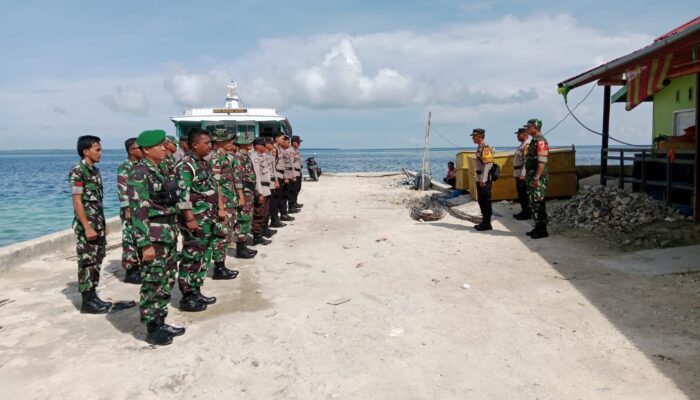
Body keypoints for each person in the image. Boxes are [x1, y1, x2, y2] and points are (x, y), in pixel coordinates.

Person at [128, 129, 185, 345]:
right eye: (159, 145)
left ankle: (161, 321)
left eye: (164, 144)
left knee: (166, 280)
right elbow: (139, 210)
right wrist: (145, 245)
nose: (164, 148)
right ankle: (152, 328)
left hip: (167, 235)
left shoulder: (159, 170)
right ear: (146, 150)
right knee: (153, 282)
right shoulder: (139, 173)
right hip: (153, 238)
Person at [176, 128, 221, 311]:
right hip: (196, 220)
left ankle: (196, 289)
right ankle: (187, 296)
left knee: (204, 255)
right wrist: (189, 218)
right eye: (207, 143)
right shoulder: (186, 166)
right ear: (195, 145)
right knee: (192, 256)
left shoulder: (202, 163)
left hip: (207, 219)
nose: (210, 146)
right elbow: (183, 196)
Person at [68, 135, 111, 314]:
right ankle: (87, 301)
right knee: (87, 262)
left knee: (97, 260)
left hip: (97, 224)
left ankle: (93, 296)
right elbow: (77, 202)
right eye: (97, 149)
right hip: (88, 226)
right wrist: (86, 226)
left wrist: (103, 223)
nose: (100, 153)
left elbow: (97, 202)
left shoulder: (95, 171)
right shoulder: (78, 172)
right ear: (86, 151)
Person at [209, 129, 241, 279]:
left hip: (230, 202)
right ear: (220, 141)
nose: (231, 143)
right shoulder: (216, 158)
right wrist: (221, 207)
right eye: (228, 140)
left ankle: (221, 265)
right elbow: (216, 185)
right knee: (220, 236)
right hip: (223, 204)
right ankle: (218, 268)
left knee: (226, 235)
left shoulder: (225, 157)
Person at [117, 137, 143, 284]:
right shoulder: (125, 167)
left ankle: (138, 266)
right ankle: (130, 270)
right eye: (139, 148)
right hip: (131, 209)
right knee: (130, 238)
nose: (142, 150)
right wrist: (127, 208)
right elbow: (122, 189)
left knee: (139, 237)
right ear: (132, 150)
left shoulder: (140, 165)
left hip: (141, 208)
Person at [232, 132, 259, 258]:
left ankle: (243, 246)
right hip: (243, 192)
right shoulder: (238, 158)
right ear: (242, 143)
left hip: (249, 191)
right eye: (248, 142)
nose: (251, 144)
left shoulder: (245, 156)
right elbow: (237, 179)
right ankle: (240, 249)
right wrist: (241, 196)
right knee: (242, 220)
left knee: (247, 218)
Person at [524, 118, 549, 239]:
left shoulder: (541, 142)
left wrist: (537, 177)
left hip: (537, 177)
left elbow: (542, 161)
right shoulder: (534, 141)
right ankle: (537, 226)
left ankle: (542, 229)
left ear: (535, 127)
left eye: (529, 127)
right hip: (531, 177)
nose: (527, 129)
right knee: (533, 202)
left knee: (538, 202)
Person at [250, 137, 273, 245]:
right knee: (259, 213)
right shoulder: (255, 157)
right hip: (261, 189)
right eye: (263, 145)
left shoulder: (262, 156)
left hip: (266, 188)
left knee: (265, 212)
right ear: (257, 146)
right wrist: (260, 193)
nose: (265, 146)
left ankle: (262, 232)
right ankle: (257, 237)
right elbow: (257, 176)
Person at [471, 128, 494, 231]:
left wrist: (483, 179)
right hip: (480, 177)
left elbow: (488, 164)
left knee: (485, 200)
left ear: (480, 136)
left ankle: (487, 223)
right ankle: (484, 221)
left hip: (484, 179)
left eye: (474, 136)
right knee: (481, 200)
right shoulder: (480, 147)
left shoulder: (485, 148)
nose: (473, 138)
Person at [273, 133, 295, 222]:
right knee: (278, 197)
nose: (283, 140)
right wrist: (275, 179)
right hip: (277, 175)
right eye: (282, 139)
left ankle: (283, 214)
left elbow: (284, 166)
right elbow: (273, 165)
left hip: (281, 175)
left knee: (282, 196)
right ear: (276, 138)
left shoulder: (280, 149)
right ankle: (280, 216)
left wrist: (285, 176)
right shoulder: (274, 150)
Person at [513, 127, 531, 220]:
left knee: (524, 194)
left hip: (522, 174)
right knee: (521, 195)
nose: (517, 136)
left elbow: (526, 161)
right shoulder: (521, 145)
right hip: (518, 173)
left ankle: (527, 213)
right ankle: (523, 211)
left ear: (524, 134)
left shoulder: (526, 145)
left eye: (518, 134)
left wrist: (523, 174)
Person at [287, 135, 304, 211]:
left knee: (297, 188)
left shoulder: (296, 150)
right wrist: (293, 175)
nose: (299, 144)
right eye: (298, 142)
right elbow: (291, 164)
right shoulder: (291, 151)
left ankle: (294, 202)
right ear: (293, 142)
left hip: (298, 172)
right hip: (294, 172)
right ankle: (291, 206)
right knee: (293, 189)